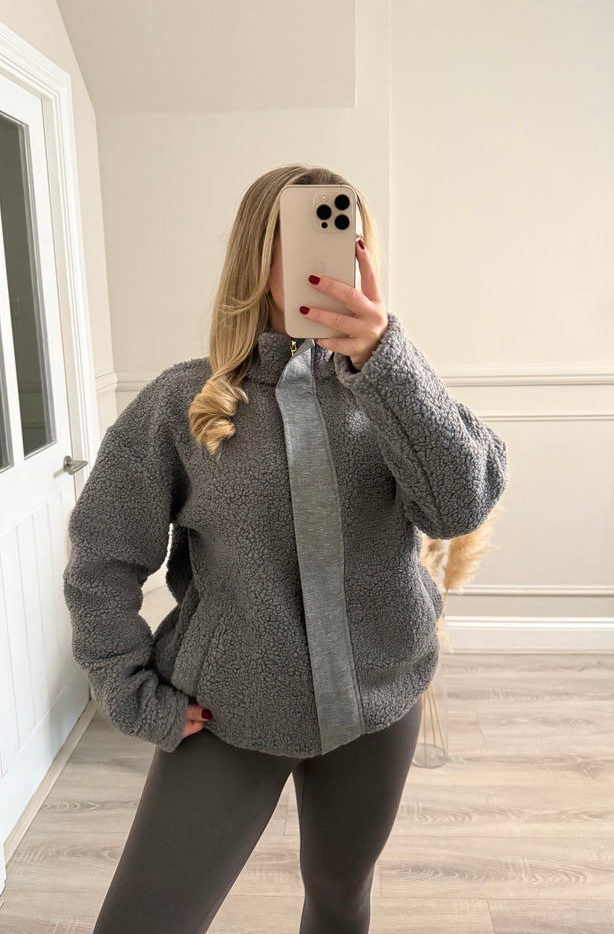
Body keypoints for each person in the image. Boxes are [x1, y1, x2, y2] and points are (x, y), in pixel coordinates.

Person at [63, 163, 508, 933]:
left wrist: (386, 360)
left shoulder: (394, 389)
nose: (329, 257)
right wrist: (127, 688)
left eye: (347, 235)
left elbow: (458, 506)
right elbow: (102, 557)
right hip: (227, 714)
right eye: (303, 235)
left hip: (377, 705)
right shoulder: (179, 404)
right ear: (255, 254)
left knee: (339, 898)